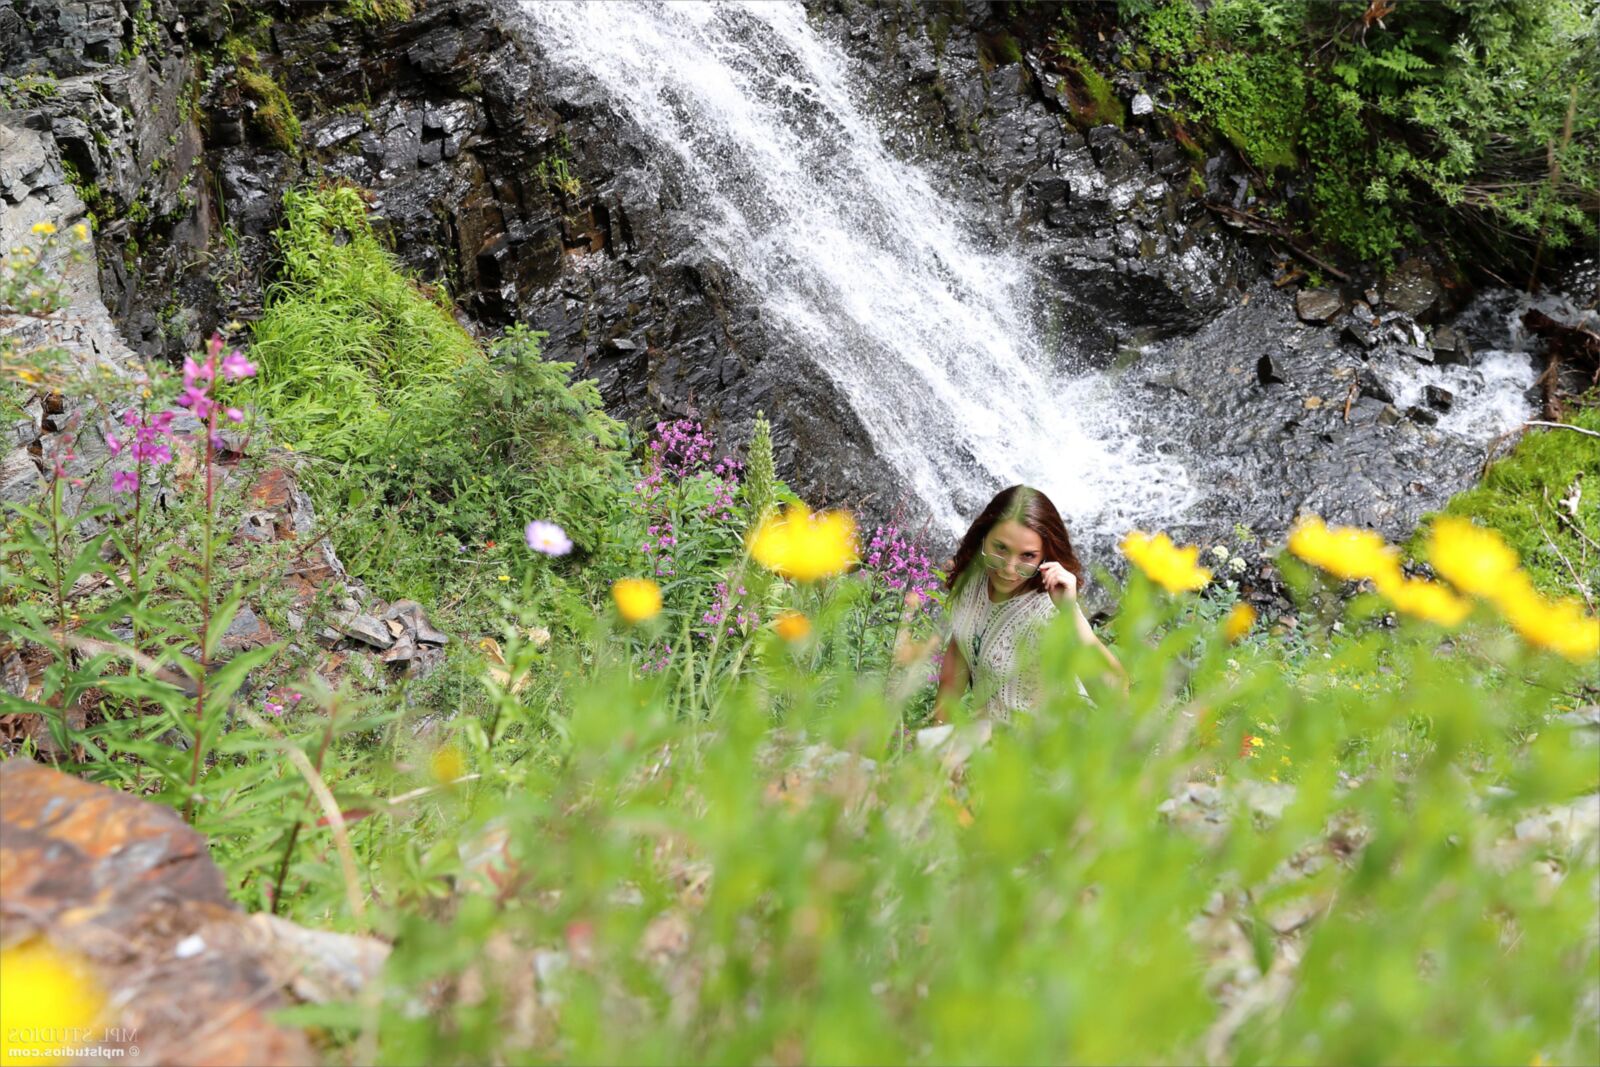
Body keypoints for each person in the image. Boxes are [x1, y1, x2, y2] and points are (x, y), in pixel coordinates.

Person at [931, 484, 1123, 727]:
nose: (1009, 569)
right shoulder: (975, 580)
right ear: (983, 537)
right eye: (1000, 548)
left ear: (1045, 556)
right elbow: (959, 653)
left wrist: (1069, 614)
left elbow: (1114, 696)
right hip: (992, 742)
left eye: (1027, 556)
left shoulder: (1050, 610)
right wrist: (936, 732)